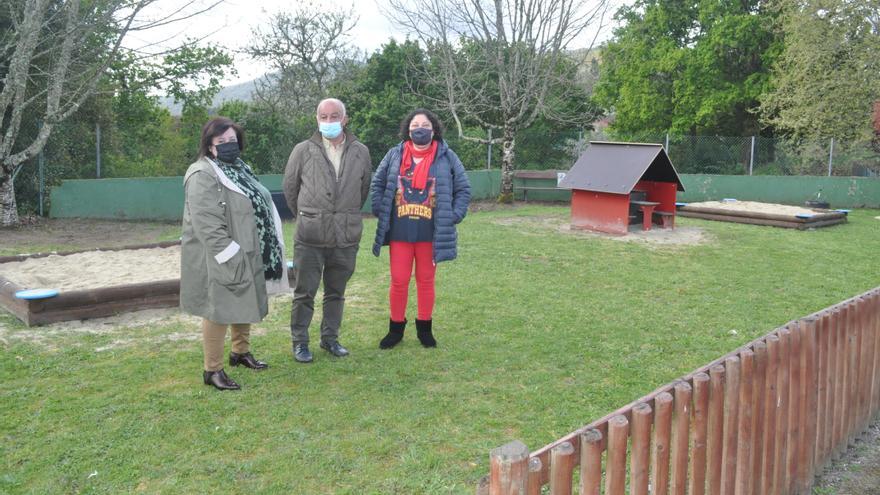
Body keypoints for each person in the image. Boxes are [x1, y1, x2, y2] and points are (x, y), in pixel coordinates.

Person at [181, 117, 289, 390]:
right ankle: (212, 369)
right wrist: (228, 254)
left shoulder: (240, 168)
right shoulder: (202, 174)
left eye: (233, 141)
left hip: (247, 248)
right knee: (218, 307)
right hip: (219, 253)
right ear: (209, 145)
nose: (229, 146)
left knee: (244, 297)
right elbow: (206, 223)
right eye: (222, 142)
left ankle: (240, 352)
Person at [371, 108, 471, 349]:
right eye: (415, 125)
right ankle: (395, 329)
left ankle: (424, 329)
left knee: (426, 281)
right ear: (408, 129)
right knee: (398, 280)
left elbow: (464, 189)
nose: (419, 129)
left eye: (425, 125)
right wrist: (379, 208)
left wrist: (453, 216)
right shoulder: (394, 154)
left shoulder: (447, 156)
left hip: (431, 233)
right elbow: (378, 182)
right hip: (400, 232)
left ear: (434, 129)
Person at [283, 98, 372, 363]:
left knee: (336, 292)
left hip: (345, 235)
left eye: (335, 116)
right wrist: (310, 215)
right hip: (310, 235)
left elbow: (362, 189)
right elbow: (291, 190)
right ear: (317, 119)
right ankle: (300, 343)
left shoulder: (360, 151)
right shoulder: (302, 150)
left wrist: (344, 215)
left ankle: (330, 338)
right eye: (324, 116)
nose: (329, 121)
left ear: (345, 119)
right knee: (304, 292)